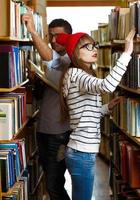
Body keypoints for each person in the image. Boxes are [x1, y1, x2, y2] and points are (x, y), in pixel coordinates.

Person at [55, 29, 135, 200]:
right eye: (87, 46)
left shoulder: (77, 75)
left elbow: (85, 116)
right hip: (81, 153)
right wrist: (127, 53)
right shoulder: (77, 74)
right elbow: (107, 85)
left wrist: (106, 108)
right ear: (75, 52)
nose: (94, 49)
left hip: (81, 151)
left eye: (94, 45)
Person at [22, 10, 73, 200]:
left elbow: (50, 57)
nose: (53, 39)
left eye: (58, 35)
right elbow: (41, 97)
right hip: (44, 130)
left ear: (69, 36)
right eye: (50, 35)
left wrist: (33, 32)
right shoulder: (55, 63)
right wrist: (36, 81)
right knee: (52, 182)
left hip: (59, 134)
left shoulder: (70, 60)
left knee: (54, 184)